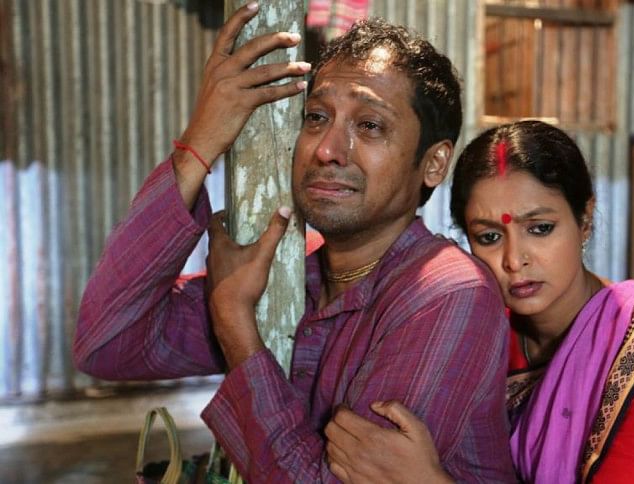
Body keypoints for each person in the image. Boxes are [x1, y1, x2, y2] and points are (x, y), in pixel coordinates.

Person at [73, 4, 516, 482]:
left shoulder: (448, 295)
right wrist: (200, 142)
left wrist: (235, 323)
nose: (326, 150)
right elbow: (107, 345)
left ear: (433, 163)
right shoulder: (292, 271)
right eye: (316, 117)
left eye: (369, 125)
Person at [324, 120, 634, 483]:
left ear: (585, 220)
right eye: (489, 237)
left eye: (540, 228)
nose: (514, 260)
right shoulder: (480, 331)